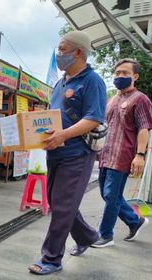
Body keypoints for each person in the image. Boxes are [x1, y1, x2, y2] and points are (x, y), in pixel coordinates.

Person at [28, 31, 106, 275]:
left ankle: (51, 258)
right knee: (59, 202)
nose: (58, 53)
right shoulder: (60, 83)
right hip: (56, 153)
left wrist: (62, 135)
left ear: (78, 52)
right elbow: (53, 115)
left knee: (62, 206)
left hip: (77, 154)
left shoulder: (92, 81)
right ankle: (88, 236)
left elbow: (93, 118)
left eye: (62, 49)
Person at [93, 59, 152, 248]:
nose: (120, 76)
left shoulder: (140, 99)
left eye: (125, 73)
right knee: (107, 194)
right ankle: (135, 221)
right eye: (117, 73)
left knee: (111, 195)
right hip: (106, 154)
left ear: (135, 76)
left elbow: (144, 128)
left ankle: (106, 235)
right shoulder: (112, 99)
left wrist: (140, 155)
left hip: (123, 154)